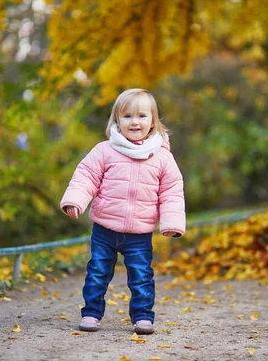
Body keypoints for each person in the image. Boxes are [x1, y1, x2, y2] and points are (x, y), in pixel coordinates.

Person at [60, 88, 185, 335]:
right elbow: (86, 176)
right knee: (97, 273)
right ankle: (91, 314)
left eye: (141, 116)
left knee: (141, 277)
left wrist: (171, 222)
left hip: (139, 234)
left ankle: (142, 317)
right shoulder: (104, 150)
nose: (135, 121)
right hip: (104, 228)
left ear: (153, 122)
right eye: (127, 116)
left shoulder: (162, 157)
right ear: (117, 120)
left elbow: (171, 191)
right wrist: (75, 200)